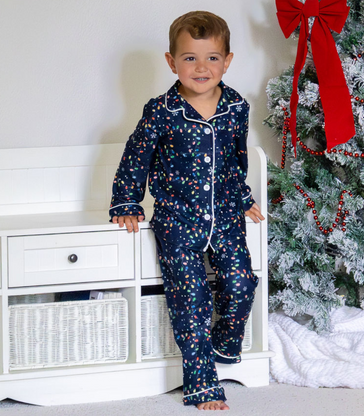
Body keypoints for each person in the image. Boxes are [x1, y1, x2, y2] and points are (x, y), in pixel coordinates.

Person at [109, 10, 264, 411]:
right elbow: (136, 156)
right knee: (191, 299)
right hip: (178, 221)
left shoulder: (236, 107)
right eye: (190, 58)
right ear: (171, 61)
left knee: (242, 283)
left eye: (212, 58)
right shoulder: (161, 110)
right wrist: (127, 201)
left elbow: (236, 161)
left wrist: (243, 197)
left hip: (225, 217)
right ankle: (202, 383)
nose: (201, 67)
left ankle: (225, 343)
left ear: (227, 61)